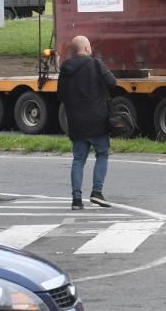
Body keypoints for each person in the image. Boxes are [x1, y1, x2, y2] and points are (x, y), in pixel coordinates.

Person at [57, 35, 116, 210]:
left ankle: (76, 199)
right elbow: (112, 83)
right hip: (98, 120)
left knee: (78, 160)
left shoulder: (66, 69)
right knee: (102, 154)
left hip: (76, 121)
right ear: (86, 49)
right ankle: (97, 192)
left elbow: (60, 95)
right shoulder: (96, 64)